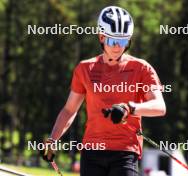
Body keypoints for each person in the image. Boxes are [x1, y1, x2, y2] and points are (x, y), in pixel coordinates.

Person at [40, 5, 166, 176]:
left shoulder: (142, 68)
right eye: (113, 41)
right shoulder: (85, 69)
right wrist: (53, 140)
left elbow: (159, 106)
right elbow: (69, 110)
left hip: (125, 152)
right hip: (92, 151)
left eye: (123, 41)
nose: (118, 47)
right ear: (101, 37)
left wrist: (129, 108)